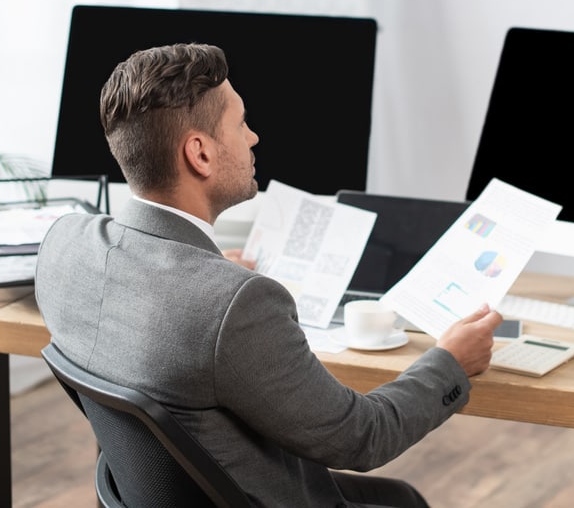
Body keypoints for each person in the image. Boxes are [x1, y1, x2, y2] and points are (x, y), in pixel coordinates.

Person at [35, 42, 503, 507]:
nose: (253, 137)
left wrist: (211, 276)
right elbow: (361, 437)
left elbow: (158, 300)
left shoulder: (63, 246)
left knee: (398, 498)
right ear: (200, 153)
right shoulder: (235, 304)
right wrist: (451, 362)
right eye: (240, 124)